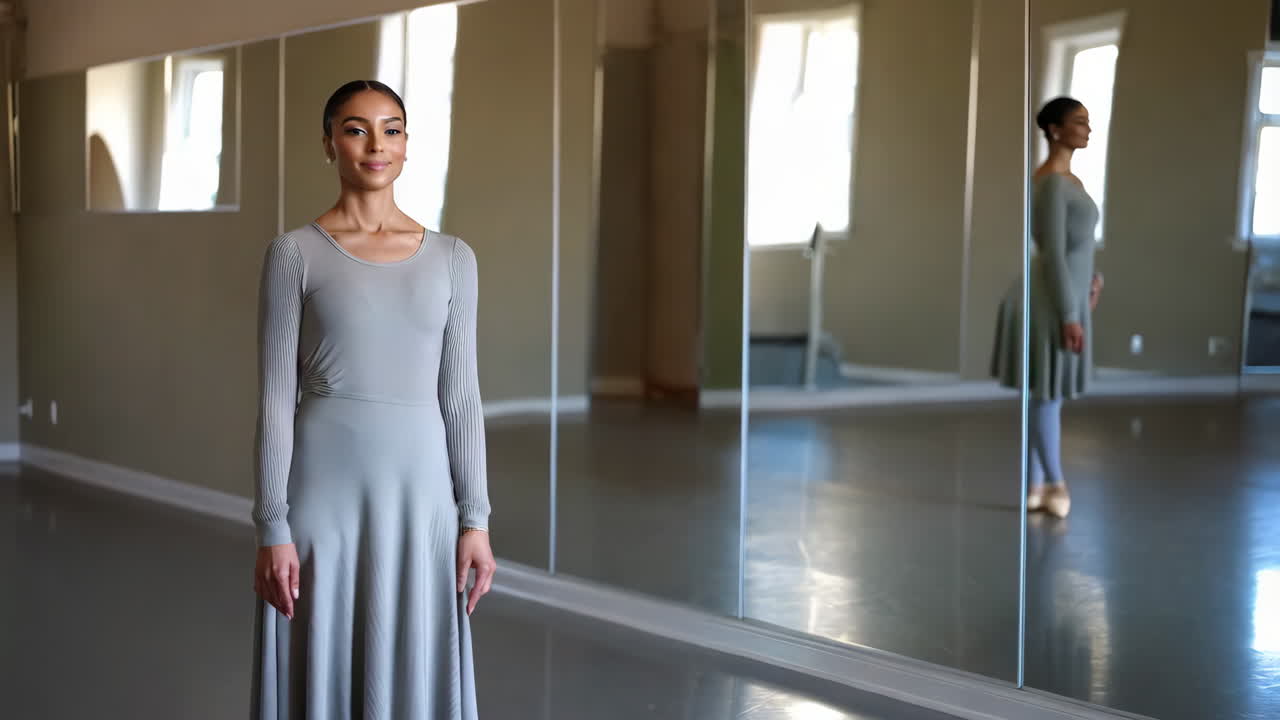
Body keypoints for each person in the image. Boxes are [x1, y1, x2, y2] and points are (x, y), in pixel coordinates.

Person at [249, 80, 496, 719]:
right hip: (323, 492)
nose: (375, 144)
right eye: (356, 129)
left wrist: (477, 518)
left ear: (407, 145)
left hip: (422, 495)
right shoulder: (293, 255)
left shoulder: (453, 259)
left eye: (391, 129)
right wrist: (271, 523)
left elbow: (462, 398)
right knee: (318, 655)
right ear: (330, 143)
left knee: (415, 659)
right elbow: (275, 398)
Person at [992, 96, 1102, 519]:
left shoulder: (1068, 181)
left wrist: (1092, 282)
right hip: (1049, 302)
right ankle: (1055, 484)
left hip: (1066, 295)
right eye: (1079, 122)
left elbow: (1076, 249)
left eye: (1088, 122)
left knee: (1045, 394)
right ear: (1055, 130)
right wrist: (1070, 315)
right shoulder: (1052, 183)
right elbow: (1052, 253)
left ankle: (1035, 486)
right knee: (1046, 396)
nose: (1087, 129)